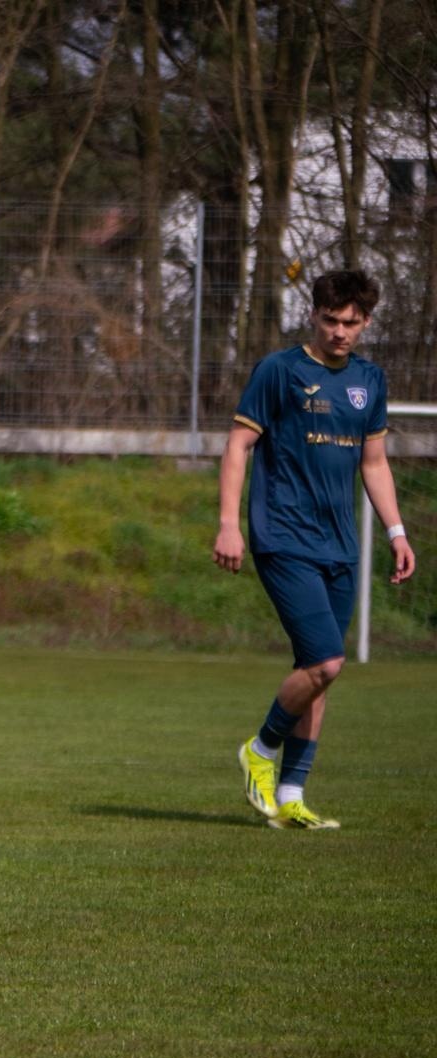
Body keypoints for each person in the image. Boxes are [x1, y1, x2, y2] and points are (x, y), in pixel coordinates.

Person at [213, 270, 416, 830]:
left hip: (341, 546)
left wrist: (397, 533)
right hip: (282, 537)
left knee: (316, 670)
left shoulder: (370, 380)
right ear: (314, 316)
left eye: (351, 322)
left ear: (367, 322)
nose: (340, 332)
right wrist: (229, 524)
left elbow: (373, 464)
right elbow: (237, 447)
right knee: (327, 660)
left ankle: (291, 796)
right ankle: (260, 748)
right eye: (331, 320)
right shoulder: (279, 371)